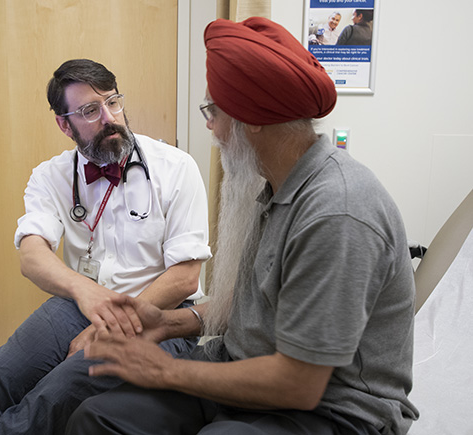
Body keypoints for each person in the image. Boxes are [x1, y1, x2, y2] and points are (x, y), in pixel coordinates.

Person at [67, 17, 419, 435]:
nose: (210, 126)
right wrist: (169, 322)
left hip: (333, 409)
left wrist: (164, 371)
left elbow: (300, 385)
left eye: (213, 111)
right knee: (98, 418)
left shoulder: (336, 212)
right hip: (243, 369)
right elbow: (256, 307)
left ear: (253, 117)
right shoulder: (274, 186)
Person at [0, 59, 212, 434]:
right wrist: (86, 293)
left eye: (113, 102)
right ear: (63, 123)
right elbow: (32, 255)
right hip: (78, 306)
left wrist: (111, 324)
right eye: (89, 110)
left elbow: (185, 278)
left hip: (159, 312)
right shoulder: (50, 175)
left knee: (56, 393)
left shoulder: (176, 168)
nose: (109, 117)